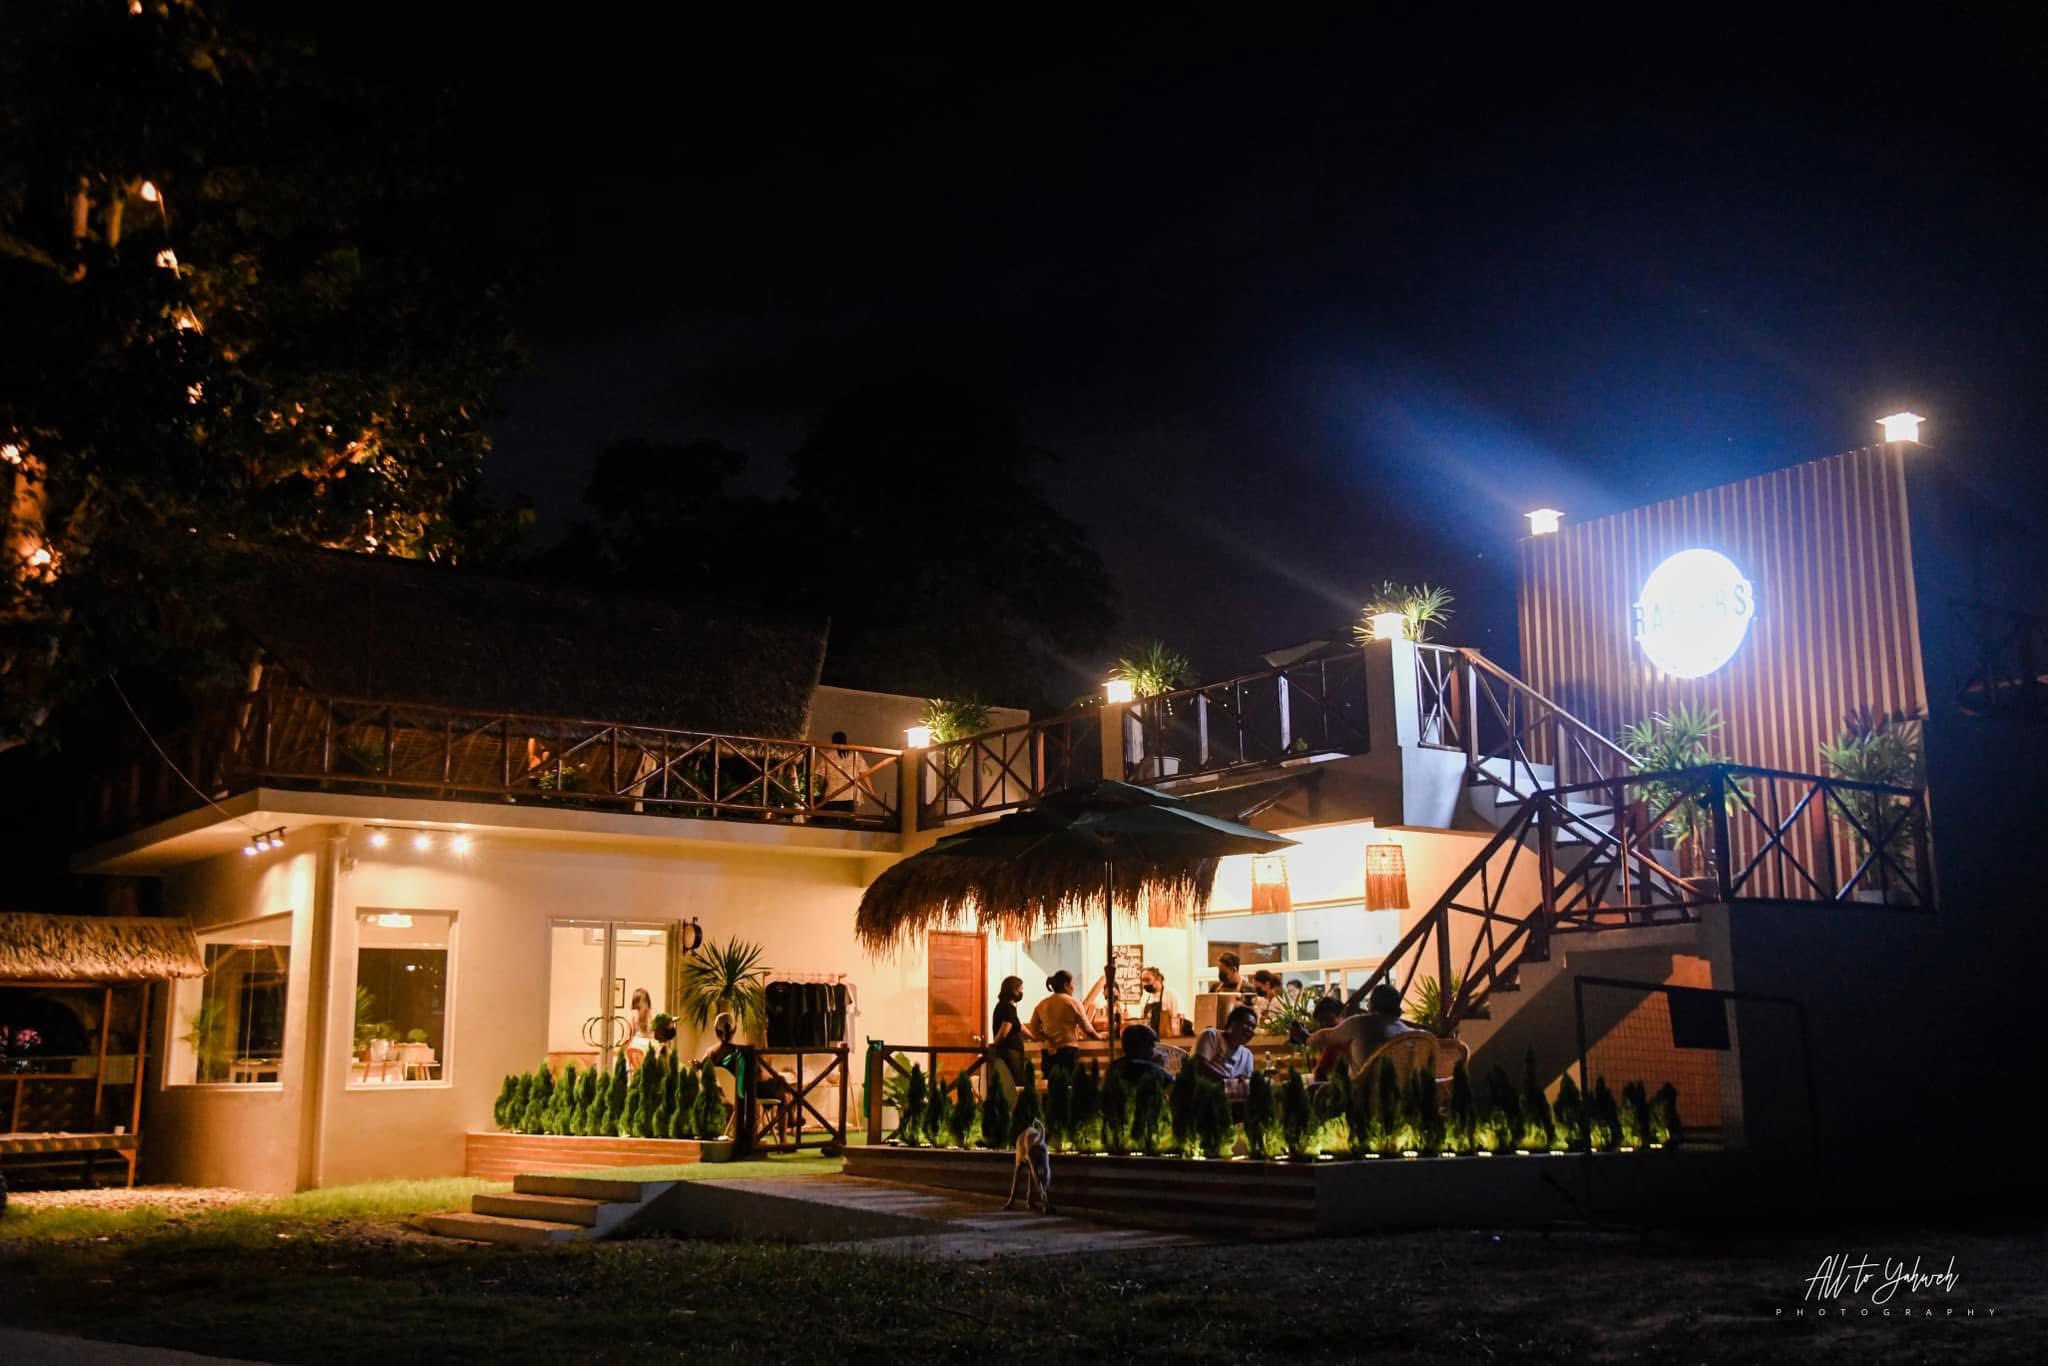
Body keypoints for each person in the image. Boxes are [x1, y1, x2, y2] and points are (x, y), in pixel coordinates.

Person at [1304, 984, 1416, 1079]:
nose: (1324, 1025)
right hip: (1399, 1093)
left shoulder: (1359, 1023)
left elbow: (1323, 1037)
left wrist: (1305, 1037)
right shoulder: (1408, 1033)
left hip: (1362, 1091)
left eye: (1368, 1002)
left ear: (1372, 1005)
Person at [1027, 970, 1101, 1073]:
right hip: (1068, 1051)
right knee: (1069, 1081)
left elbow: (1033, 1028)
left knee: (1051, 1081)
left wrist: (1047, 1040)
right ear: (1066, 985)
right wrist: (1099, 1037)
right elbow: (1087, 1029)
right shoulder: (1073, 1002)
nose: (1073, 988)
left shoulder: (1042, 1004)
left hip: (1048, 1052)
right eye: (1073, 984)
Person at [1192, 1005, 1259, 1097]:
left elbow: (1247, 1081)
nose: (1250, 1030)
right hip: (1205, 1095)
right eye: (1247, 1024)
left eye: (1253, 1027)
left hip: (1233, 1099)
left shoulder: (1247, 1055)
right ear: (1232, 1023)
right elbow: (1199, 1065)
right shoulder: (1212, 1035)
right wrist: (1229, 1082)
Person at [1107, 1023, 1173, 1088]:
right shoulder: (1150, 1069)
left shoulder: (1114, 1066)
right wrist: (1160, 1067)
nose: (1154, 1051)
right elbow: (1170, 1085)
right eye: (1152, 1046)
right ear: (1144, 1047)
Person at [818, 731, 870, 813]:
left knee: (833, 818)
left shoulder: (827, 756)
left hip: (832, 795)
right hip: (852, 794)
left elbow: (821, 777)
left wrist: (821, 791)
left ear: (833, 742)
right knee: (849, 818)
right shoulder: (855, 755)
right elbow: (865, 774)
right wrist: (871, 792)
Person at [1138, 966, 1187, 1036]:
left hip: (1166, 1037)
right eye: (1143, 980)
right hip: (1148, 1038)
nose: (1145, 983)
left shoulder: (1170, 995)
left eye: (1148, 980)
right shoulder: (1145, 997)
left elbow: (1177, 1019)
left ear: (1158, 979)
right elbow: (1142, 1019)